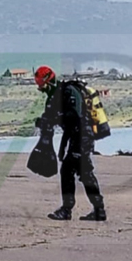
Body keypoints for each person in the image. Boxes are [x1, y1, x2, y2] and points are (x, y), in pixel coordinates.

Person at [34, 65, 106, 221]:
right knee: (84, 172)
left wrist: (54, 118)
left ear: (48, 80)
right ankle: (99, 210)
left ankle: (67, 210)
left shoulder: (68, 91)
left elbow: (75, 115)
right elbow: (52, 119)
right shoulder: (53, 97)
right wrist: (43, 122)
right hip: (75, 136)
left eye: (41, 84)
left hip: (82, 135)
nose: (39, 87)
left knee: (70, 171)